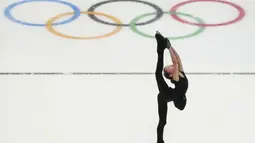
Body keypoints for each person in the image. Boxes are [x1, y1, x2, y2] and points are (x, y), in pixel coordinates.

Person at [155, 31, 189, 143]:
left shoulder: (180, 72)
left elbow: (178, 59)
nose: (169, 65)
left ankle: (160, 46)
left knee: (157, 74)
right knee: (162, 122)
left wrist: (170, 46)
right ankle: (160, 141)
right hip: (168, 96)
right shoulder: (175, 77)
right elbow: (175, 63)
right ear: (170, 74)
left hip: (174, 96)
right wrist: (168, 47)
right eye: (167, 68)